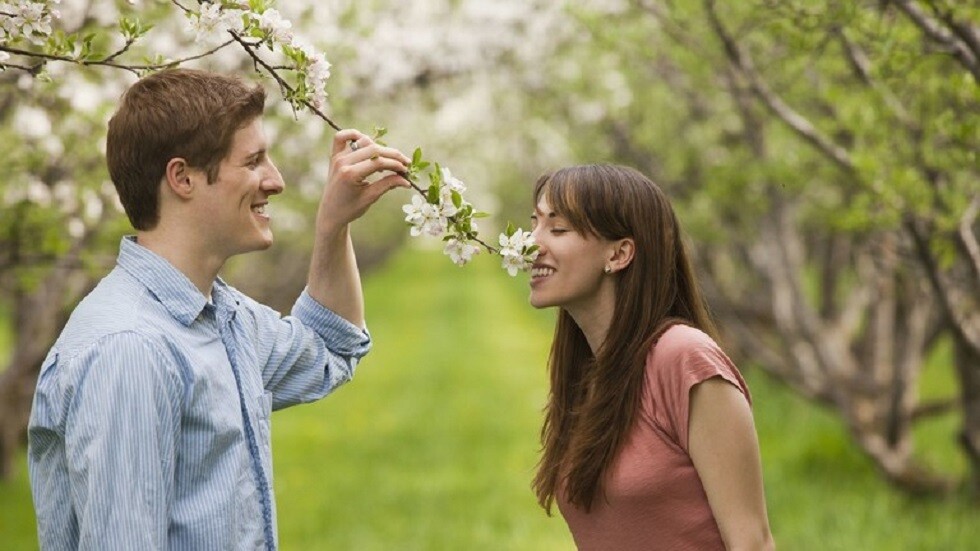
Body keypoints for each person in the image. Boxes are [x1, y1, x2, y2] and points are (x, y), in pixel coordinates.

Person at [27, 68, 410, 550]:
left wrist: (333, 225)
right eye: (253, 162)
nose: (276, 181)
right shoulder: (130, 350)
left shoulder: (220, 315)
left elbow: (329, 347)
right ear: (182, 177)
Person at [527, 164, 774, 550]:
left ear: (620, 253)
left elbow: (752, 542)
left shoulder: (684, 358)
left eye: (558, 229)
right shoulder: (589, 373)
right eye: (534, 224)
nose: (532, 243)